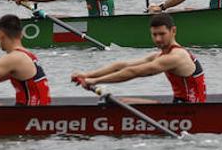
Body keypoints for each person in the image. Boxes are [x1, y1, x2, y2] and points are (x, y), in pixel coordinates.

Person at [70, 13, 207, 102]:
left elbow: (133, 72)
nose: (158, 39)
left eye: (162, 34)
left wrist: (93, 81)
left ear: (173, 31)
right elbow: (122, 66)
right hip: (178, 105)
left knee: (121, 103)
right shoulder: (160, 55)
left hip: (190, 111)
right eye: (154, 34)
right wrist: (87, 74)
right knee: (122, 102)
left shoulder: (176, 57)